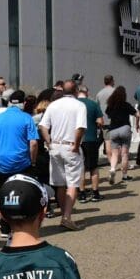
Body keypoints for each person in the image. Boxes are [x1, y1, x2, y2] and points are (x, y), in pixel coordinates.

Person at [38, 80, 88, 231]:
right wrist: (77, 144)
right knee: (72, 183)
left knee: (60, 183)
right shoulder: (79, 105)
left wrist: (48, 141)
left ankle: (63, 215)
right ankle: (66, 216)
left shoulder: (53, 105)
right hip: (70, 145)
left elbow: (42, 125)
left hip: (56, 145)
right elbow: (80, 127)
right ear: (76, 90)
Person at [0, 90, 40, 238]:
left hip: (2, 162)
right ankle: (25, 223)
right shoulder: (26, 118)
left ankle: (4, 226)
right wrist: (33, 161)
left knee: (3, 191)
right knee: (25, 190)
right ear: (23, 103)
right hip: (22, 161)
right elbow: (33, 143)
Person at [76, 86, 105, 203]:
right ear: (87, 92)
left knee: (80, 167)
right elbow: (100, 121)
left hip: (77, 139)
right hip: (91, 138)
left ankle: (82, 193)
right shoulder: (93, 104)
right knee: (93, 167)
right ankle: (95, 192)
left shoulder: (73, 104)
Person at [103, 86, 135, 184]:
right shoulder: (126, 105)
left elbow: (107, 114)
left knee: (115, 153)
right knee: (125, 154)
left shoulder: (111, 105)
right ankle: (125, 176)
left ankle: (112, 169)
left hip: (113, 130)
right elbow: (135, 113)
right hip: (125, 128)